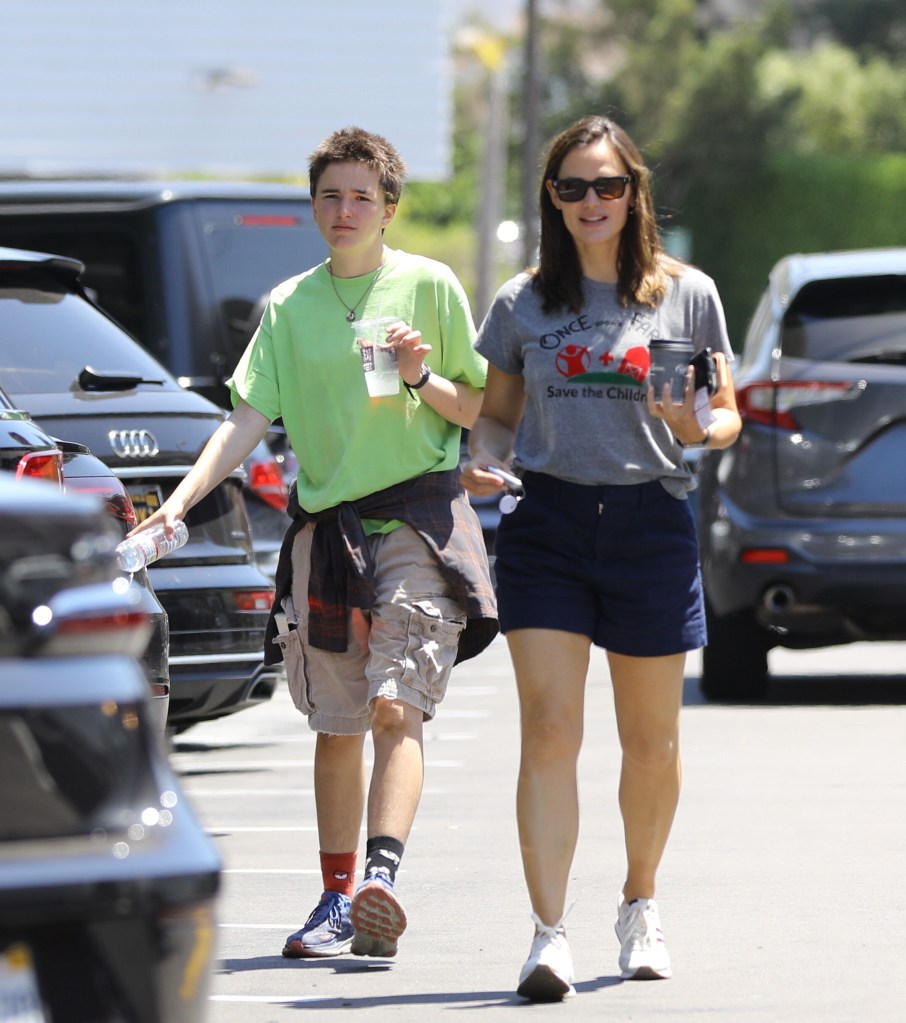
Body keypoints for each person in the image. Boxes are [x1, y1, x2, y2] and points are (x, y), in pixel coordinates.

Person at [130, 126, 497, 961]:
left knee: (398, 702)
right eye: (330, 194)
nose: (344, 209)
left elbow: (479, 410)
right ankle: (337, 898)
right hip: (325, 533)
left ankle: (382, 879)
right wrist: (178, 505)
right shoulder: (289, 306)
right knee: (339, 721)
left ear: (389, 208)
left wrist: (418, 376)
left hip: (416, 522)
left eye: (361, 195)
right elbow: (247, 420)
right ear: (313, 206)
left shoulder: (430, 286)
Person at [461, 113, 741, 1002]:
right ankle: (548, 934)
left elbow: (726, 412)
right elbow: (497, 411)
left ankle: (640, 900)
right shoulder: (522, 301)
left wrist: (694, 423)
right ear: (553, 196)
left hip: (651, 523)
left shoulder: (684, 293)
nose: (593, 201)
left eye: (608, 185)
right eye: (574, 185)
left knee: (651, 742)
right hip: (545, 522)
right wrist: (485, 458)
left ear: (634, 193)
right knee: (549, 730)